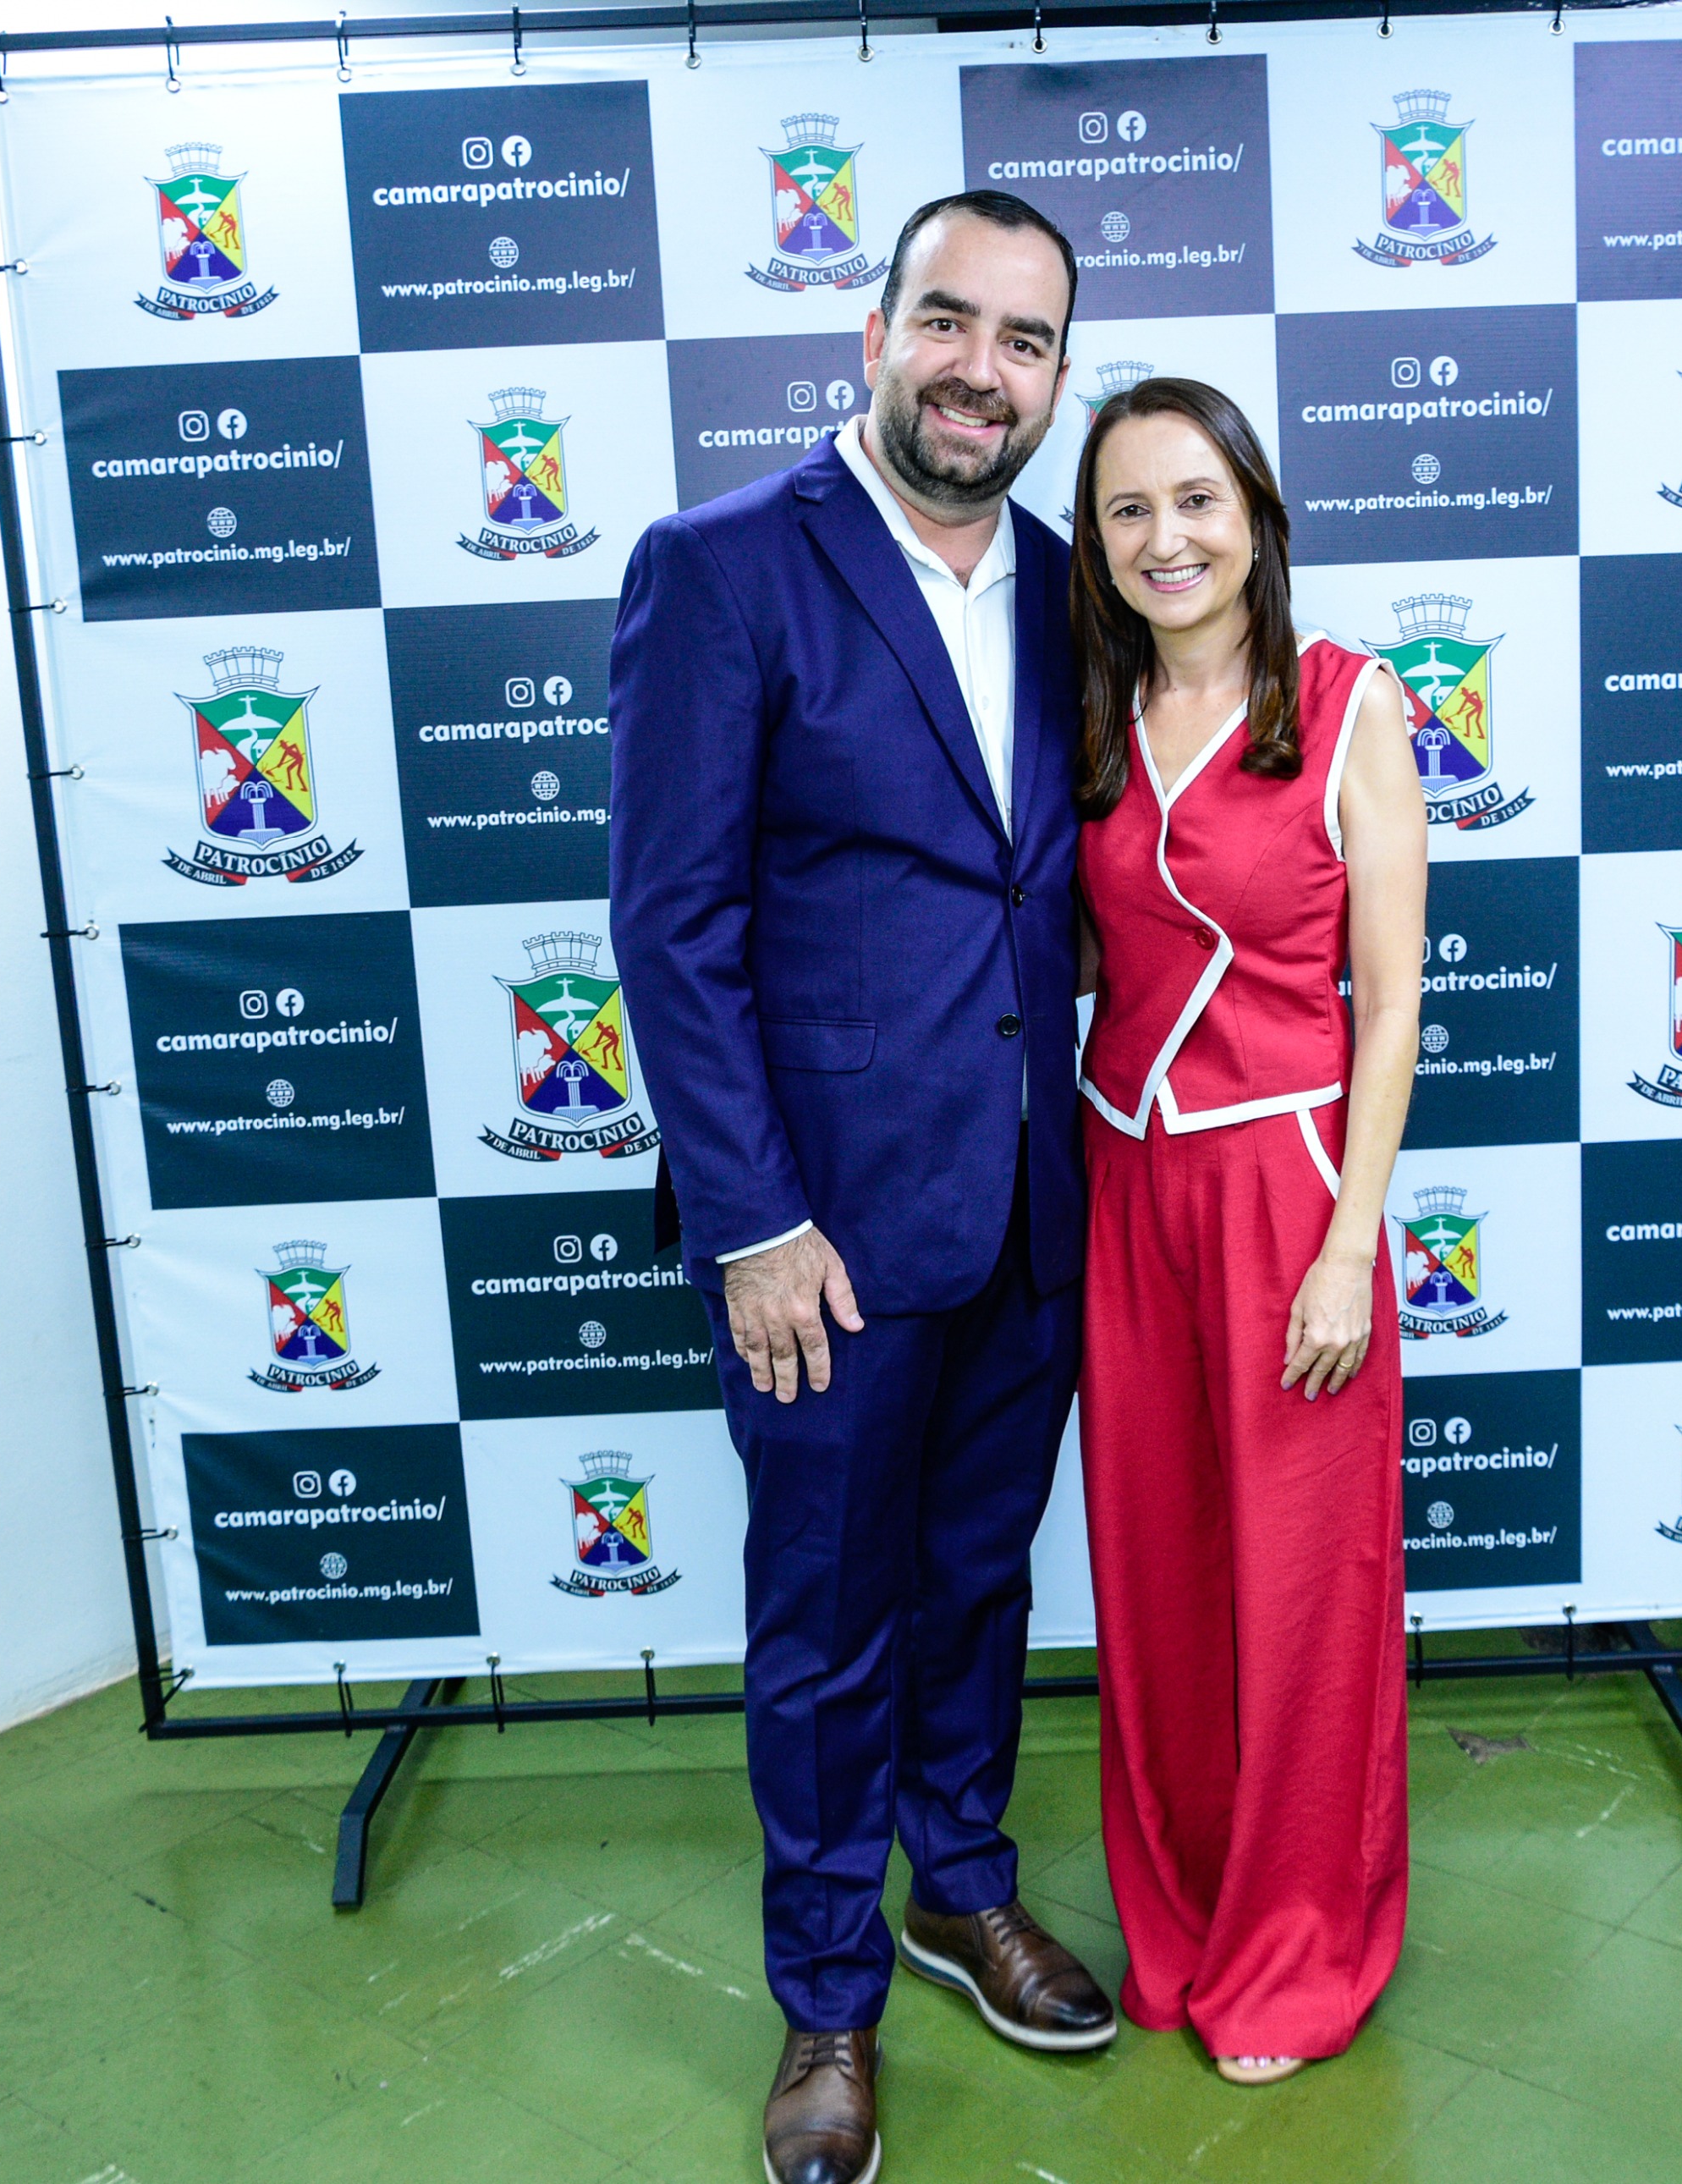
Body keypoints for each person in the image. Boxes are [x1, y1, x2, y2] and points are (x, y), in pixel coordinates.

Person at [607, 190, 1112, 2184]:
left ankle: (957, 1886)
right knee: (825, 1622)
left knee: (977, 1580)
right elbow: (672, 926)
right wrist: (750, 1220)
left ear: (1055, 378)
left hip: (1027, 1205)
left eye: (1026, 341)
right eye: (949, 321)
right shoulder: (723, 565)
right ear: (876, 330)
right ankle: (827, 1997)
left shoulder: (1072, 583)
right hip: (815, 1232)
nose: (983, 370)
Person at [1069, 377, 1430, 2084]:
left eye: (1197, 500)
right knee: (1155, 1583)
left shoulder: (1349, 702)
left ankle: (1292, 1951)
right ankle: (1184, 1920)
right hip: (1123, 1186)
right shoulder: (1085, 714)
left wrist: (1352, 1244)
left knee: (1301, 1597)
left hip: (1288, 1196)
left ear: (1258, 517)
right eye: (1129, 509)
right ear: (1096, 543)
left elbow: (1391, 1004)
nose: (1168, 539)